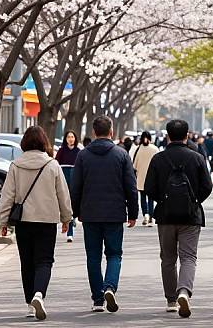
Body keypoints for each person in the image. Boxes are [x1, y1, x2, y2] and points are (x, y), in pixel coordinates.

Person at [0, 126, 72, 321]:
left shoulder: (16, 165)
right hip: (47, 221)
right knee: (44, 260)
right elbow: (62, 194)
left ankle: (30, 304)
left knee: (27, 262)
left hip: (23, 221)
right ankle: (39, 294)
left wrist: (2, 220)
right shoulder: (52, 165)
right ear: (44, 142)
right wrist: (66, 218)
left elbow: (7, 196)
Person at [144, 119, 213, 318]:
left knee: (167, 258)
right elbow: (207, 186)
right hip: (191, 217)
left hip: (165, 217)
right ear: (187, 135)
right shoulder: (197, 158)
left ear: (167, 135)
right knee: (188, 257)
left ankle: (171, 300)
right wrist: (194, 200)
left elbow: (149, 188)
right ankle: (184, 291)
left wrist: (163, 200)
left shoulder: (158, 159)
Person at [70, 115, 139, 313]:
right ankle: (110, 286)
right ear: (111, 132)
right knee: (114, 254)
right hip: (115, 213)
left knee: (93, 257)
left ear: (93, 132)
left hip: (90, 213)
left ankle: (98, 299)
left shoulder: (83, 156)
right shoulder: (121, 154)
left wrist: (74, 212)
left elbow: (76, 187)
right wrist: (133, 212)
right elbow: (131, 187)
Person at [55, 130, 80, 242]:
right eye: (69, 137)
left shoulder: (79, 152)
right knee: (66, 203)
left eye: (72, 137)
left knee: (74, 202)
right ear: (65, 139)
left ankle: (73, 219)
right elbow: (56, 166)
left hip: (75, 181)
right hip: (64, 180)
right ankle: (69, 231)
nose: (71, 139)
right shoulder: (61, 151)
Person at [132, 131, 159, 226]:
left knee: (143, 198)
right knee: (151, 198)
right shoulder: (155, 149)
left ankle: (146, 216)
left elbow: (134, 165)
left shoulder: (138, 149)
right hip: (152, 178)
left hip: (141, 178)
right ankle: (151, 216)